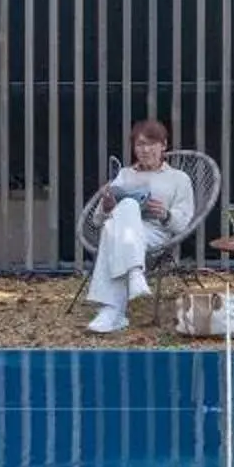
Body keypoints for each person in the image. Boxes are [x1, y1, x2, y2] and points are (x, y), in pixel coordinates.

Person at [82, 118, 196, 334]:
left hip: (156, 233)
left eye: (150, 144)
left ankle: (111, 311)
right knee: (121, 212)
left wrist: (164, 214)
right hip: (123, 233)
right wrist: (106, 206)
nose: (144, 150)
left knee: (113, 228)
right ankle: (135, 277)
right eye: (139, 145)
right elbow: (97, 220)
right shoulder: (124, 175)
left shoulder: (179, 179)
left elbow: (183, 222)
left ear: (163, 145)